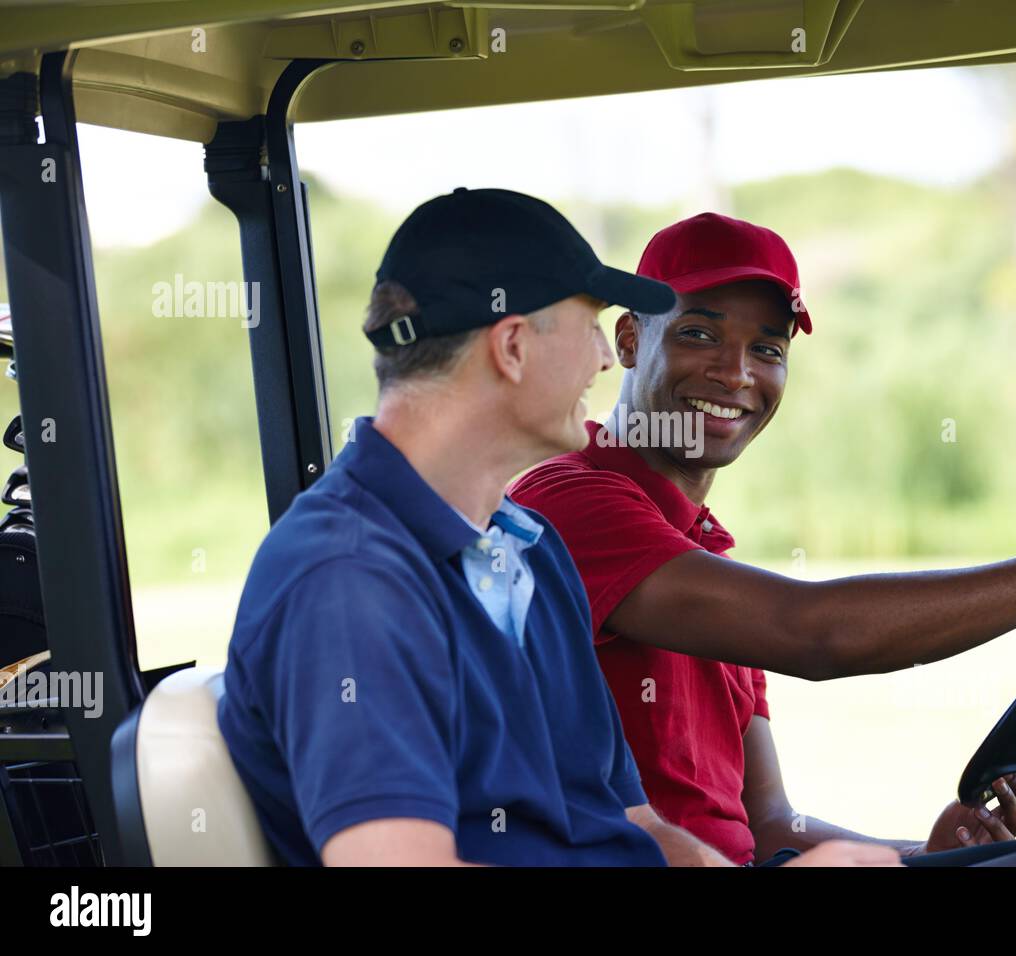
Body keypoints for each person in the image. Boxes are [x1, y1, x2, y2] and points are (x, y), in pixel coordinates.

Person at [509, 211, 1016, 866]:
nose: (736, 374)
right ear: (632, 338)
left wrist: (923, 849)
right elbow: (814, 634)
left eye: (767, 348)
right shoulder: (570, 499)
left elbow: (768, 823)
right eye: (700, 333)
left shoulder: (704, 558)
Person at [217, 188, 898, 867]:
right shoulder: (350, 576)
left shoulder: (529, 551)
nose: (606, 359)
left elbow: (633, 824)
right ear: (513, 347)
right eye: (591, 326)